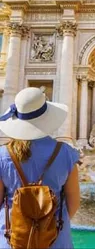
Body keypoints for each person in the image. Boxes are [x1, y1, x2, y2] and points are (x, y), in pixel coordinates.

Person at [0, 87, 80, 248]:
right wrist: (49, 223)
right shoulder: (66, 153)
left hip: (12, 238)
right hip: (56, 239)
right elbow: (73, 202)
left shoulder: (2, 154)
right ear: (46, 117)